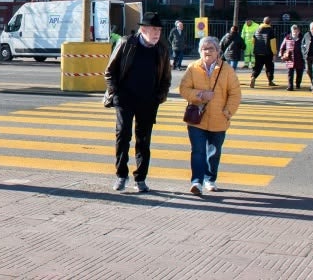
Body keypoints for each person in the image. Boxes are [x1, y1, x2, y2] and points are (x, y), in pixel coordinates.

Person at [103, 12, 173, 193]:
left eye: (159, 29)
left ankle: (140, 179)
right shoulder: (127, 43)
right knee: (123, 136)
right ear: (143, 29)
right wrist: (115, 93)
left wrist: (160, 97)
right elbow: (110, 72)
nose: (157, 33)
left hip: (148, 102)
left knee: (144, 141)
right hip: (125, 99)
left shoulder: (162, 49)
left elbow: (166, 78)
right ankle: (121, 175)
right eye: (153, 29)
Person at [179, 36, 241, 195]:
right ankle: (196, 182)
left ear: (218, 51)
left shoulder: (226, 69)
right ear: (200, 51)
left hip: (219, 119)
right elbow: (183, 90)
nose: (207, 51)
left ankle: (210, 179)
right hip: (197, 119)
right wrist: (200, 95)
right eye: (204, 49)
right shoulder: (193, 68)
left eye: (211, 48)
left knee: (213, 152)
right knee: (198, 151)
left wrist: (227, 112)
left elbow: (235, 94)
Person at [249, 17, 276, 88]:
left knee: (257, 67)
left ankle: (253, 77)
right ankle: (270, 81)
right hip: (268, 53)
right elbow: (272, 42)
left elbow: (253, 40)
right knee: (269, 67)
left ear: (263, 22)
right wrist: (274, 52)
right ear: (270, 23)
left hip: (257, 52)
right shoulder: (271, 30)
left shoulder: (257, 29)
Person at [278, 24, 305, 91]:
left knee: (299, 72)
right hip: (290, 58)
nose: (295, 33)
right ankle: (290, 86)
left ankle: (298, 84)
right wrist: (281, 55)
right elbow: (282, 47)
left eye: (296, 31)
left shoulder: (302, 38)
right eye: (293, 31)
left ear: (299, 31)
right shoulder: (287, 38)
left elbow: (306, 47)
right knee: (290, 73)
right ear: (291, 31)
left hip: (300, 58)